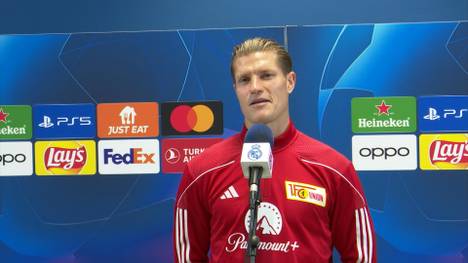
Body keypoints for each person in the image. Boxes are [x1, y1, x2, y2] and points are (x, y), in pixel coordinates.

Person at [173, 37, 376, 263]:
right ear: (235, 89)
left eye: (266, 75)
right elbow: (188, 257)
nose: (255, 87)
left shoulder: (334, 168)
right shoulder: (202, 170)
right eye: (244, 80)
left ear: (290, 81)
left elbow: (360, 257)